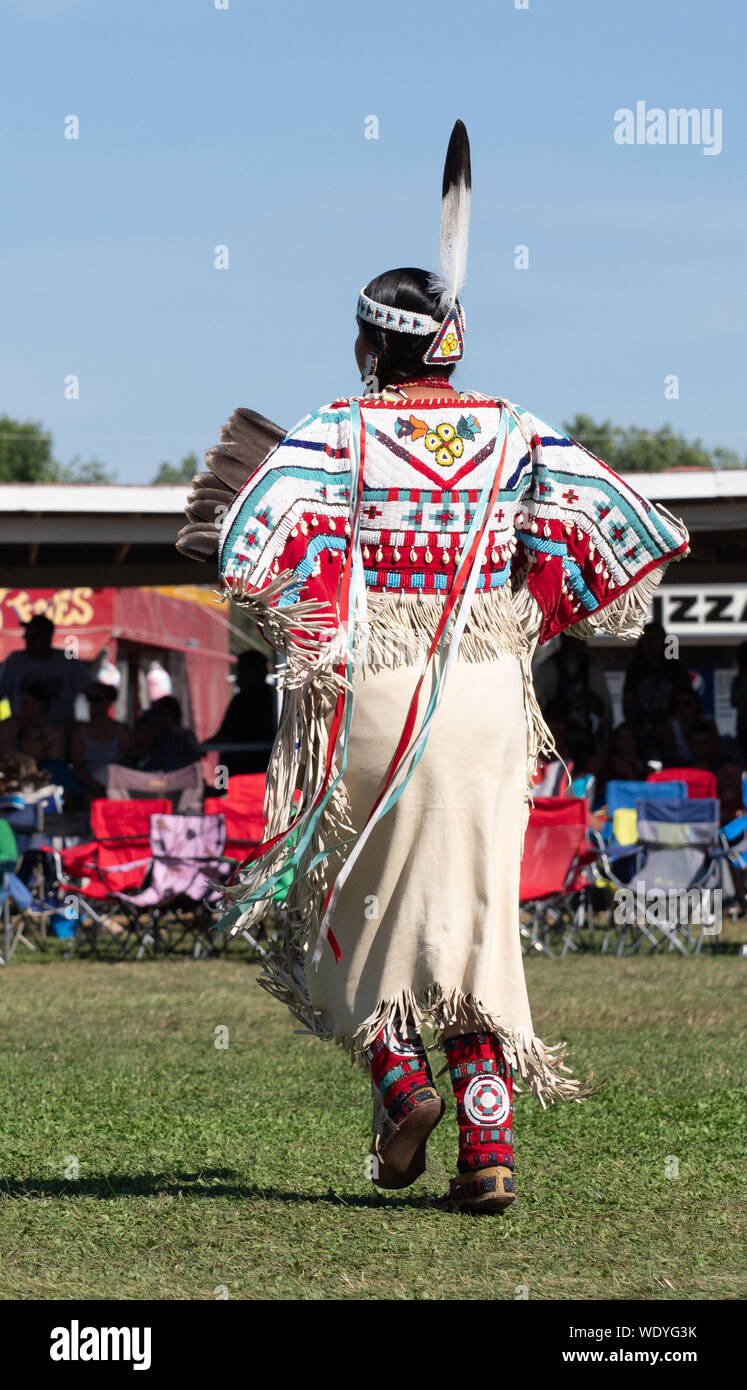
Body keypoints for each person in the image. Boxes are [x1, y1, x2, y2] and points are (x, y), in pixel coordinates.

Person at [184, 122, 689, 1213]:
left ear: (374, 347)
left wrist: (318, 622)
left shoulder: (340, 432)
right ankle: (490, 1148)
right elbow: (628, 522)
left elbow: (254, 545)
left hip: (373, 688)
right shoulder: (515, 432)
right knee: (469, 914)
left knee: (340, 901)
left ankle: (401, 1078)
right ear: (451, 345)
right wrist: (529, 609)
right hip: (485, 694)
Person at [0, 614, 91, 731]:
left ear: (47, 637)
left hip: (61, 729)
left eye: (33, 637)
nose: (27, 640)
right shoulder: (15, 661)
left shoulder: (68, 660)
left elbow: (87, 691)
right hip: (24, 734)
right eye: (26, 636)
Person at [622, 622, 691, 761]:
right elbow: (628, 701)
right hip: (641, 726)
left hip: (671, 726)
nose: (650, 644)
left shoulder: (675, 668)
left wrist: (672, 723)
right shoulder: (635, 669)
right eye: (646, 639)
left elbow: (686, 700)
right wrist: (635, 726)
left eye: (655, 639)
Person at [203, 649, 277, 776]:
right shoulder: (273, 695)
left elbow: (228, 733)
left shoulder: (247, 697)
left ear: (251, 670)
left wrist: (204, 746)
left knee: (222, 791)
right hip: (260, 768)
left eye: (241, 669)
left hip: (242, 770)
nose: (238, 675)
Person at [71, 682, 133, 797]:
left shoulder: (123, 731)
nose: (92, 703)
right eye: (89, 699)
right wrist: (96, 786)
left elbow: (127, 762)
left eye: (97, 699)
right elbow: (78, 766)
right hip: (88, 788)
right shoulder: (80, 732)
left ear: (109, 701)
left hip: (118, 786)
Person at [0, 681, 65, 761]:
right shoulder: (8, 727)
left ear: (40, 705)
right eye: (21, 702)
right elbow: (6, 760)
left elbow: (57, 764)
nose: (22, 706)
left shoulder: (54, 732)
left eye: (26, 702)